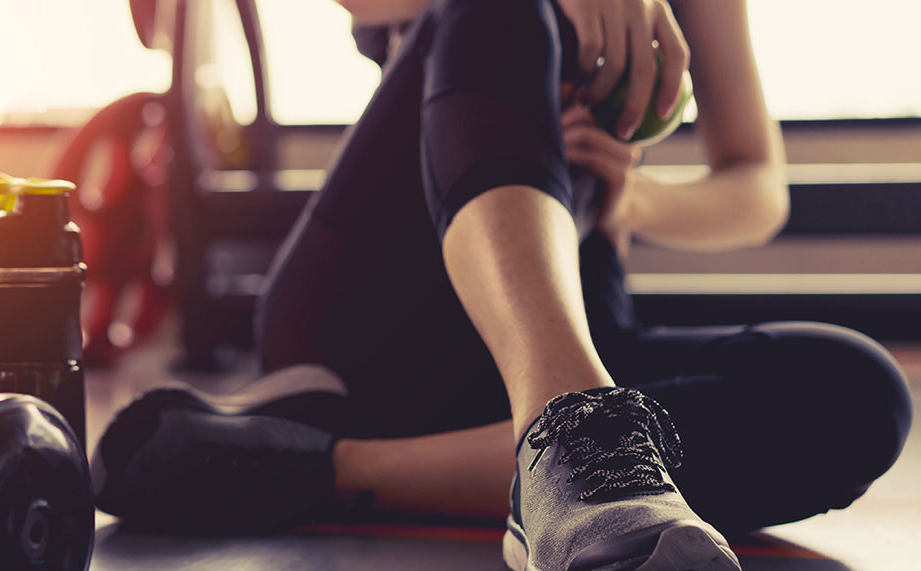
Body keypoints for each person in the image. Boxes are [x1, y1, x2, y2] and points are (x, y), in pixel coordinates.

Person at [91, 1, 913, 569]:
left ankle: (326, 464)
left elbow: (757, 187)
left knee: (859, 391)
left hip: (577, 321)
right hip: (370, 319)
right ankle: (577, 446)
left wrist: (638, 196)